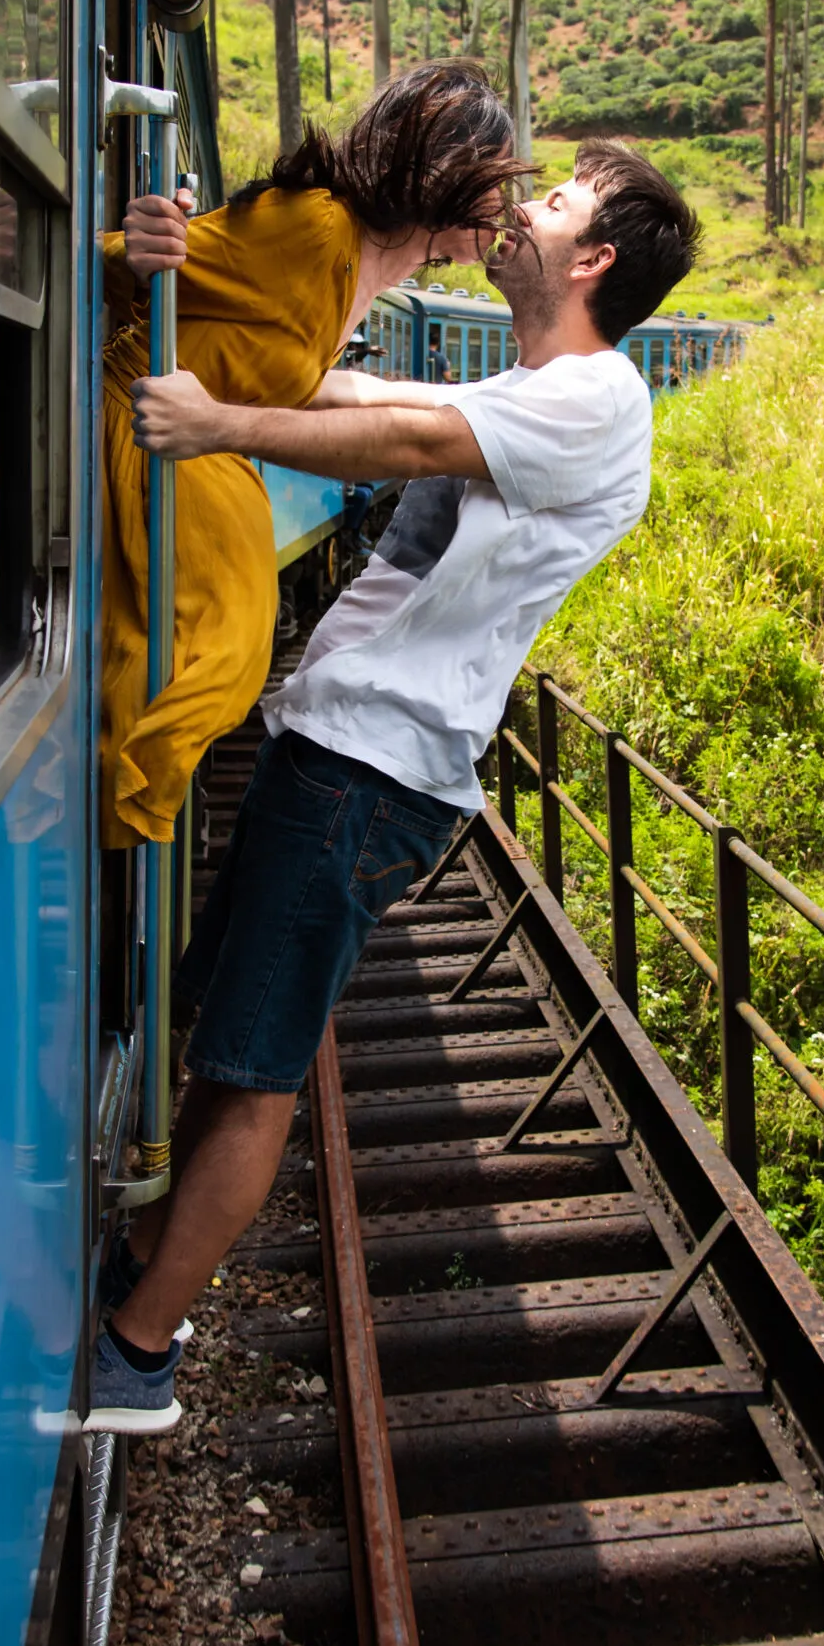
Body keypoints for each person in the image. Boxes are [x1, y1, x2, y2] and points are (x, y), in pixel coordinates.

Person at [83, 140, 700, 1431]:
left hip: (372, 771)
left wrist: (215, 423)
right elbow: (341, 382)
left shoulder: (595, 400)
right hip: (341, 751)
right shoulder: (544, 385)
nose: (519, 212)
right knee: (234, 1046)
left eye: (552, 204)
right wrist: (180, 275)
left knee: (255, 1066)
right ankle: (144, 1275)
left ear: (592, 260)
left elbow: (406, 433)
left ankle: (137, 1353)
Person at [99, 64, 524, 854]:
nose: (504, 206)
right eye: (494, 179)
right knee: (217, 647)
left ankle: (123, 824)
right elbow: (130, 264)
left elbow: (301, 377)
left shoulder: (360, 258)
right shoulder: (317, 228)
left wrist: (457, 404)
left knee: (218, 646)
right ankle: (112, 814)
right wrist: (138, 246)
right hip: (155, 422)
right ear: (445, 172)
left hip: (205, 443)